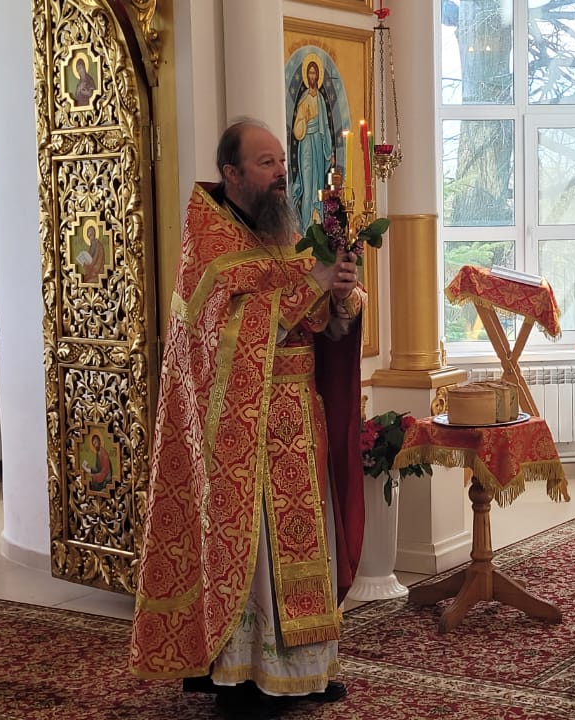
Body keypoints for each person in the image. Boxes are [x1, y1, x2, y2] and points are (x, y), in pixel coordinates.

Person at [130, 118, 365, 720]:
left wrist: (339, 297)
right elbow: (221, 337)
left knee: (306, 543)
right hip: (242, 433)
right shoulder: (208, 243)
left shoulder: (283, 232)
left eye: (281, 161)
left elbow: (321, 327)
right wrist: (309, 287)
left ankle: (307, 670)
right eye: (266, 163)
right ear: (231, 173)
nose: (281, 173)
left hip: (297, 419)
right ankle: (246, 675)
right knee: (254, 554)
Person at [289, 56, 336, 232]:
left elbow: (325, 127)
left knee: (318, 187)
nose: (312, 76)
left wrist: (329, 153)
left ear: (318, 75)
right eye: (309, 73)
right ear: (306, 76)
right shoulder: (304, 98)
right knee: (308, 187)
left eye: (314, 73)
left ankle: (318, 225)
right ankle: (306, 228)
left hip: (318, 144)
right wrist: (304, 121)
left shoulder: (321, 100)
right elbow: (297, 129)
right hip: (307, 145)